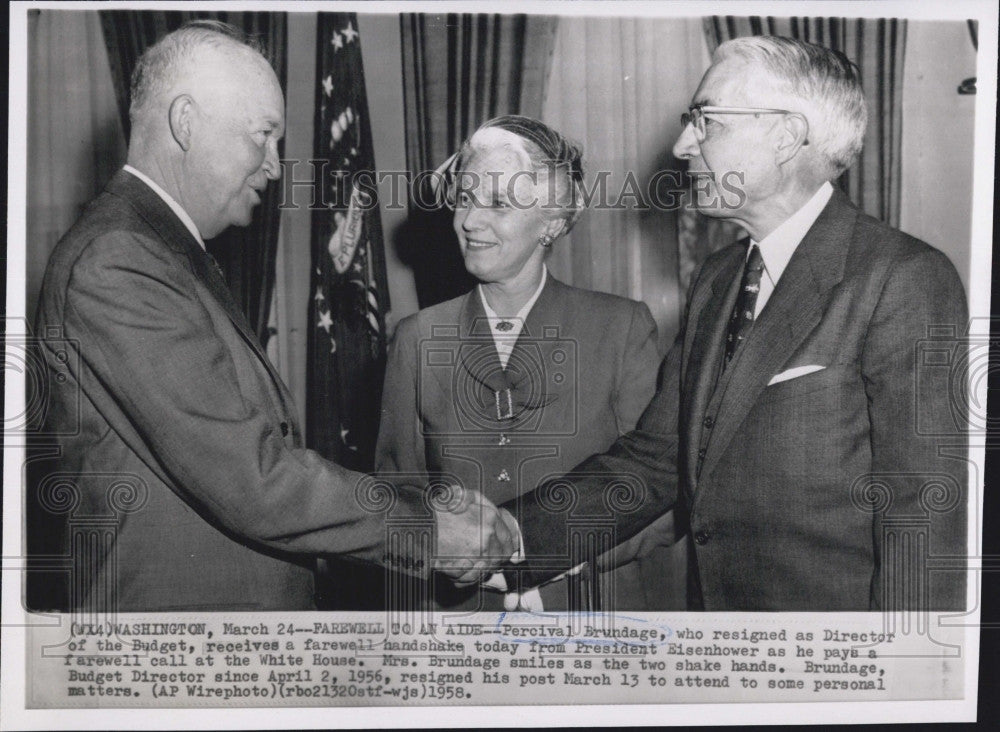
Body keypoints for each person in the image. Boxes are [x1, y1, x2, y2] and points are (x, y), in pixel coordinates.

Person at [25, 21, 515, 613]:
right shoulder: (119, 262)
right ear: (185, 122)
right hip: (180, 663)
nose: (275, 166)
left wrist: (420, 500)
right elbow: (252, 480)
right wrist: (428, 530)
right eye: (262, 135)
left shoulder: (160, 252)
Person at [501, 37, 969, 611]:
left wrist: (905, 687)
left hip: (830, 671)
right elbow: (655, 459)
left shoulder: (903, 278)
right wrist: (507, 537)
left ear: (786, 135)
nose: (680, 144)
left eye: (706, 120)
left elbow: (921, 518)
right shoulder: (719, 278)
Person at [370, 115, 682, 611]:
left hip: (589, 618)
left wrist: (549, 558)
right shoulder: (418, 338)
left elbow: (661, 501)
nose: (470, 221)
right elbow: (394, 501)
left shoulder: (620, 328)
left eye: (498, 203)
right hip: (459, 628)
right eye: (466, 199)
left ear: (552, 222)